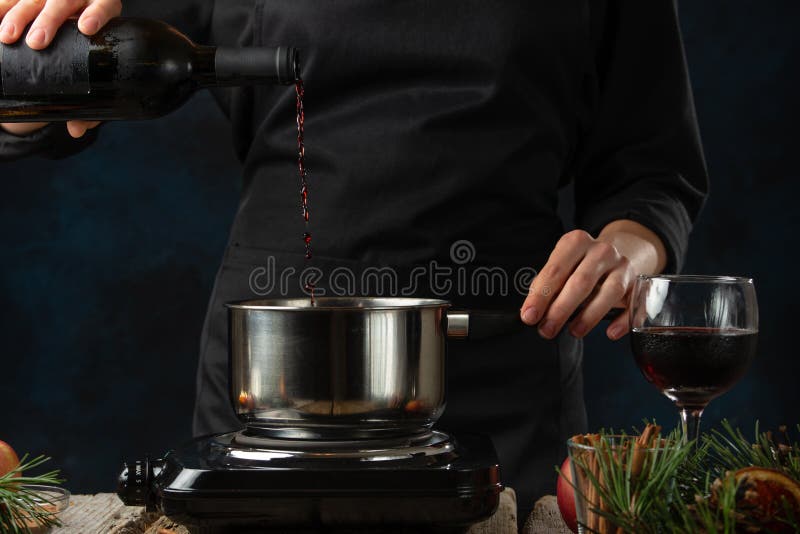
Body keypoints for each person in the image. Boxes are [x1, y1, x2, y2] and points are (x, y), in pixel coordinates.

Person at [0, 0, 708, 522]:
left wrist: (627, 247)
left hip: (500, 362)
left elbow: (654, 169)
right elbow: (80, 78)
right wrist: (26, 75)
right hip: (272, 379)